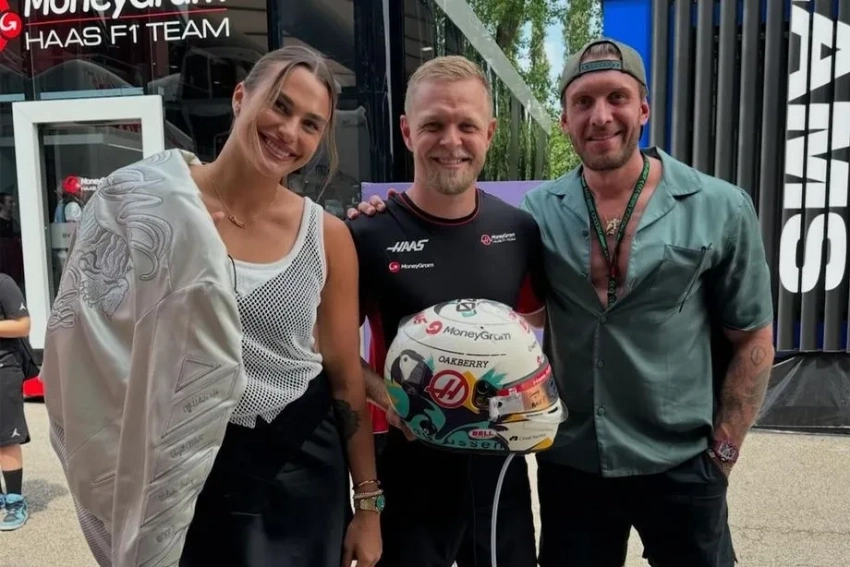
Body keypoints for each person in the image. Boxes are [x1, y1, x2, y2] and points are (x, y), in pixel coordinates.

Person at [41, 45, 381, 567]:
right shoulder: (148, 205)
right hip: (180, 470)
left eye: (311, 125)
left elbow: (344, 378)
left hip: (300, 469)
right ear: (241, 97)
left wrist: (369, 505)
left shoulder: (327, 236)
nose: (289, 132)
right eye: (280, 106)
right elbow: (83, 335)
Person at [519, 38, 775, 566]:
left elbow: (752, 335)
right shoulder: (537, 212)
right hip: (574, 466)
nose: (600, 116)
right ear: (564, 120)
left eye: (617, 97)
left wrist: (722, 454)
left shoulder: (720, 206)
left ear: (644, 109)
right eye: (583, 102)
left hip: (682, 465)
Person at [345, 55, 546, 567]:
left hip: (498, 471)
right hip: (407, 465)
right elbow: (334, 352)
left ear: (490, 133)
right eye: (433, 124)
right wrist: (389, 398)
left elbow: (544, 323)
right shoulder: (366, 235)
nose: (451, 141)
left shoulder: (519, 230)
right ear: (407, 131)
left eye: (467, 126)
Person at [0, 273, 31, 532]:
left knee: (6, 439)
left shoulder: (3, 283)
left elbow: (23, 325)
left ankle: (14, 500)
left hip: (4, 369)